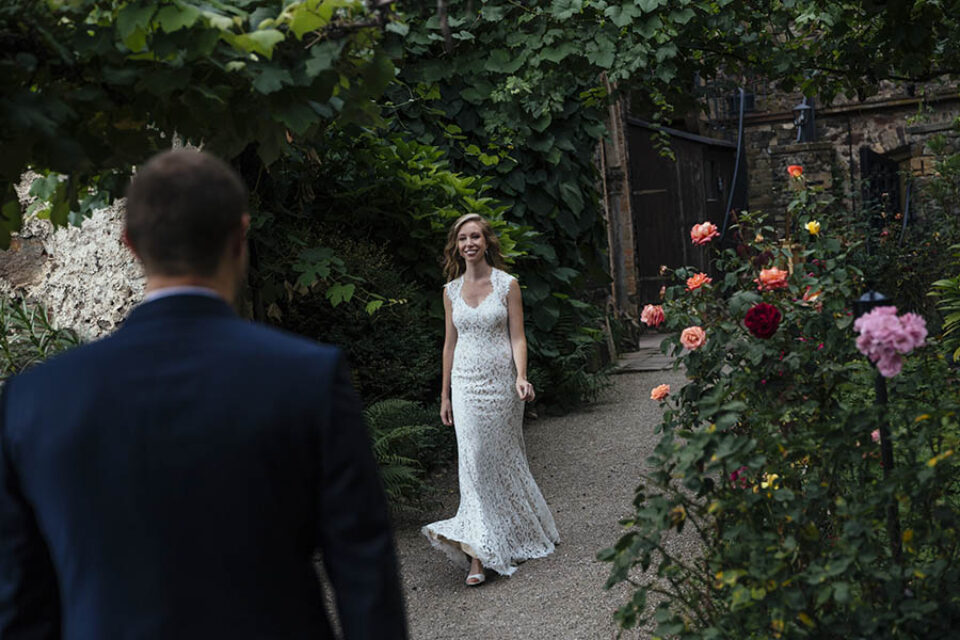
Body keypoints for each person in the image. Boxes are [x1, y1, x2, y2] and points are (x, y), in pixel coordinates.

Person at [0, 150, 408, 639]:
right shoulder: (307, 377)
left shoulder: (36, 397)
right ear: (240, 235)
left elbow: (20, 599)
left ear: (130, 243)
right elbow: (364, 570)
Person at [422, 213, 559, 586]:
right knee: (474, 460)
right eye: (463, 238)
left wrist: (521, 376)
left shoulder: (507, 285)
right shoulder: (450, 292)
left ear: (486, 242)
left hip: (501, 386)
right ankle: (478, 555)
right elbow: (449, 344)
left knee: (502, 458)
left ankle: (517, 532)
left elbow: (518, 337)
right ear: (456, 246)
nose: (469, 244)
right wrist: (445, 394)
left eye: (476, 237)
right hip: (465, 385)